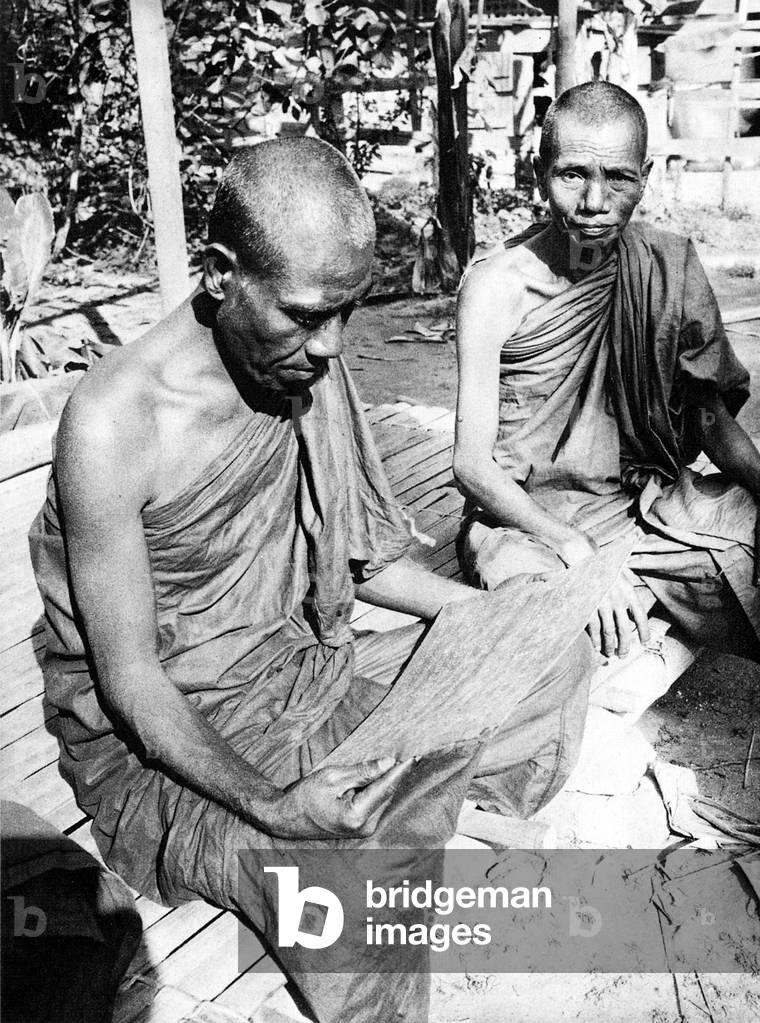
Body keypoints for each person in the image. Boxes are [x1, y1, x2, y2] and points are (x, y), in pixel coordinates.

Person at [29, 138, 593, 1023]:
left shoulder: (297, 363)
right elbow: (129, 679)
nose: (331, 346)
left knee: (548, 641)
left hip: (305, 665)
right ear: (221, 274)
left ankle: (422, 806)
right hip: (191, 729)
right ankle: (366, 831)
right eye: (305, 315)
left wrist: (496, 619)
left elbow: (363, 564)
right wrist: (276, 806)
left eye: (349, 312)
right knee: (351, 898)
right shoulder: (112, 423)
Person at [454, 81, 759, 665]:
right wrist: (572, 546)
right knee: (540, 626)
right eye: (572, 174)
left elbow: (710, 422)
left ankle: (642, 595)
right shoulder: (498, 287)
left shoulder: (667, 264)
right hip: (530, 523)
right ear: (540, 171)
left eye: (618, 177)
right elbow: (471, 464)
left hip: (651, 506)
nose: (594, 201)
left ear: (645, 175)